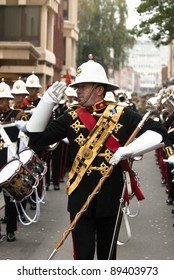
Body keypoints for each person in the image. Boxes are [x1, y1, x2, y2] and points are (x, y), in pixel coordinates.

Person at [26, 54, 167, 260]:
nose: (77, 91)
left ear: (99, 89)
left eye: (83, 86)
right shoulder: (71, 116)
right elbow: (36, 139)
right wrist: (46, 103)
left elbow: (159, 132)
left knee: (107, 257)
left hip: (111, 195)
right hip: (79, 195)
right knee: (82, 257)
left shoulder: (123, 114)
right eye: (77, 86)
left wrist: (129, 150)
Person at [0, 79, 22, 241]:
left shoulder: (16, 115)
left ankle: (11, 229)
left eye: (3, 99)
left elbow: (21, 139)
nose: (0, 101)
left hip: (8, 160)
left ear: (8, 99)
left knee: (11, 198)